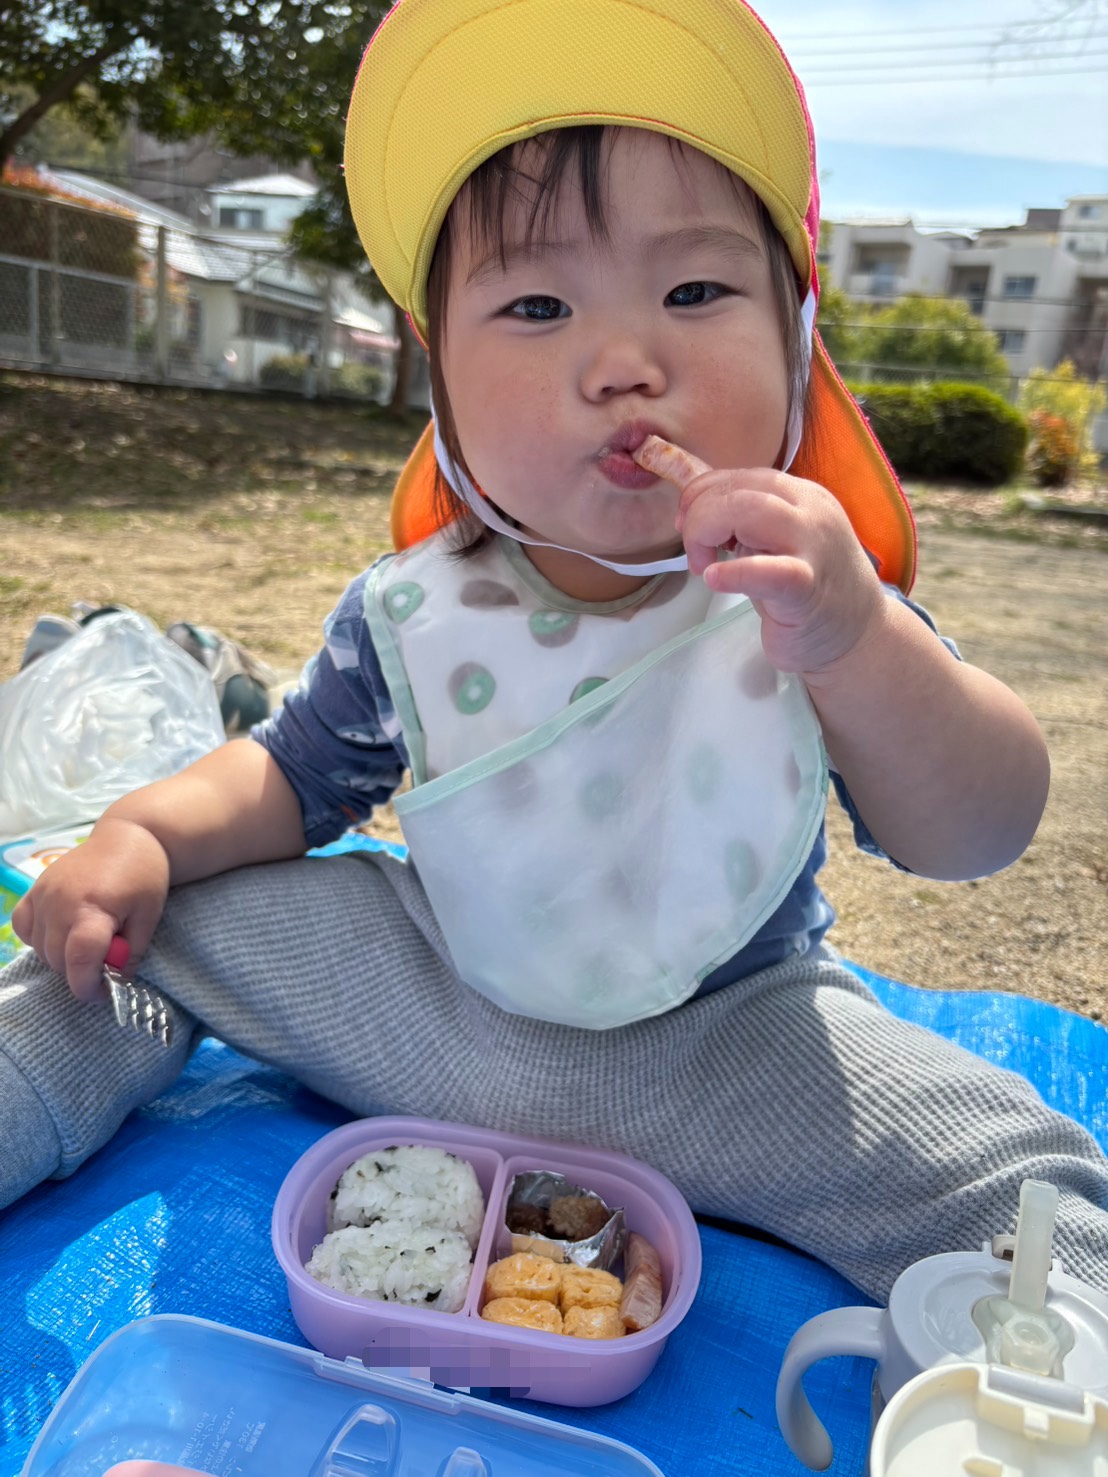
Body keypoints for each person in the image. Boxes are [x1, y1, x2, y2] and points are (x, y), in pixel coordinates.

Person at [2, 0, 1106, 1301]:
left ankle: (1056, 1355)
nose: (622, 362)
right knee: (144, 926)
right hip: (430, 1006)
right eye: (536, 303)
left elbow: (975, 831)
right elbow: (290, 779)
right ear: (441, 381)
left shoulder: (807, 598)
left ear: (799, 342)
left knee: (1033, 1182)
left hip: (739, 1050)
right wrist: (142, 834)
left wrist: (858, 638)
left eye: (694, 292)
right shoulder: (416, 609)